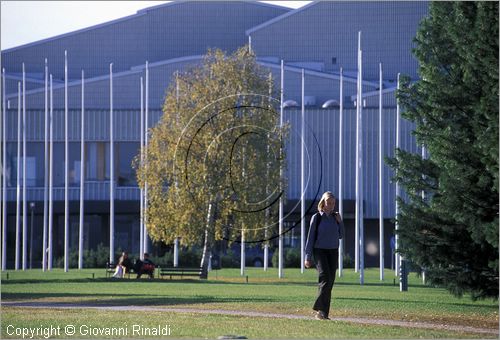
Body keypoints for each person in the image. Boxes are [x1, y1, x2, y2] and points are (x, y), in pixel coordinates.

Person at [304, 191, 345, 320]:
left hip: (333, 252)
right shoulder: (317, 217)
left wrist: (340, 222)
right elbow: (310, 238)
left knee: (330, 282)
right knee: (325, 278)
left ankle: (323, 313)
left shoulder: (335, 218)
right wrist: (307, 257)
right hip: (319, 251)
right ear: (323, 203)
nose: (331, 205)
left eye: (333, 203)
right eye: (329, 202)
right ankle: (319, 310)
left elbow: (341, 235)